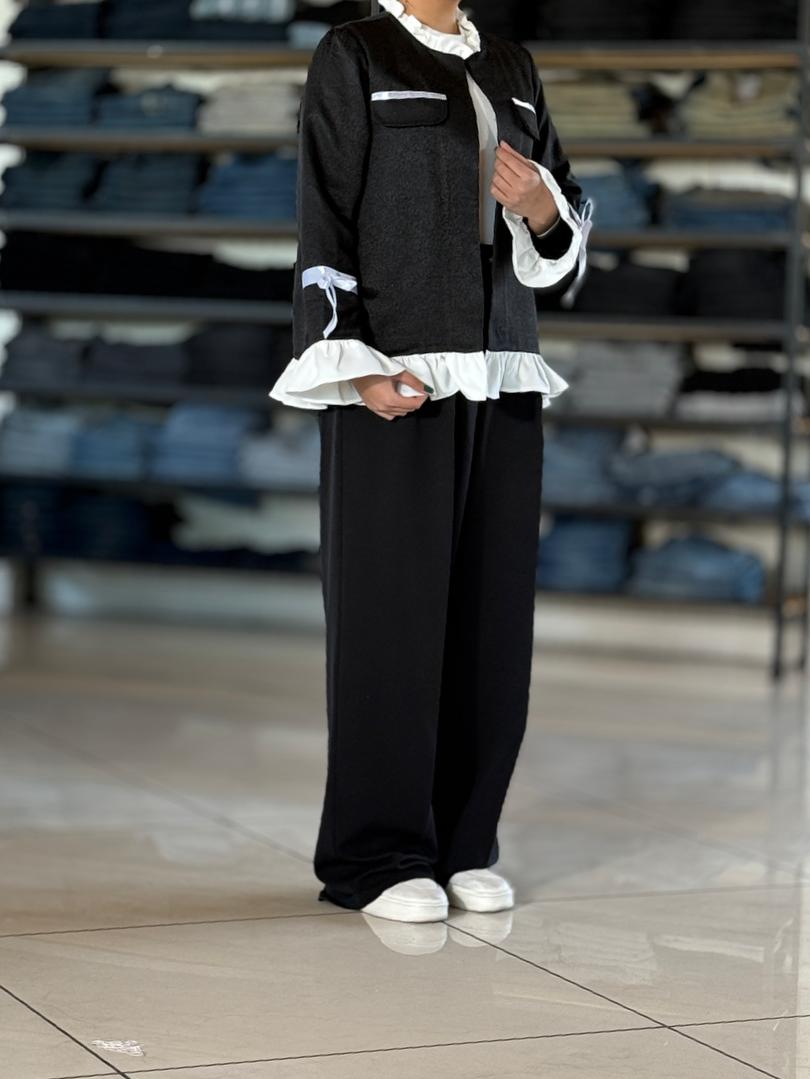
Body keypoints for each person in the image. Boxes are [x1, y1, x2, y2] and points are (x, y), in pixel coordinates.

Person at [270, 0, 593, 923]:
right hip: (397, 375)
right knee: (391, 620)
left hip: (503, 371)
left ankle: (463, 843)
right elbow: (325, 215)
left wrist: (542, 207)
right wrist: (352, 361)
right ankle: (375, 856)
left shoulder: (512, 64)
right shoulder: (355, 54)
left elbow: (565, 216)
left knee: (493, 623)